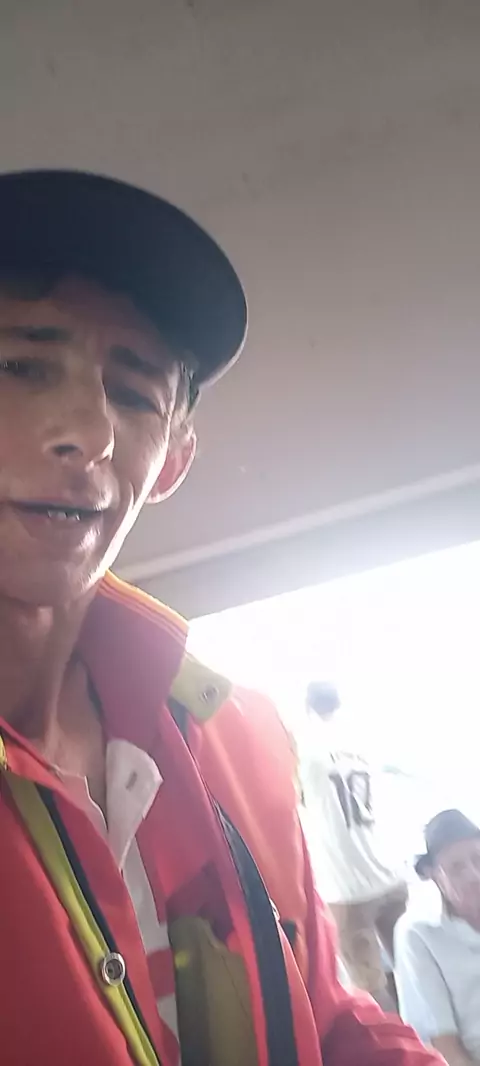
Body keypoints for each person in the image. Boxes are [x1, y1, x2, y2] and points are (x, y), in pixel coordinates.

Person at [0, 167, 440, 1066]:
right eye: (20, 367)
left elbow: (322, 1013)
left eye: (133, 393)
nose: (89, 431)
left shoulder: (236, 736)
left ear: (173, 459)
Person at [300, 681, 407, 1008]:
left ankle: (400, 1040)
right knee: (411, 969)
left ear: (307, 707)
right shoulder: (362, 744)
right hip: (390, 873)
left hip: (347, 888)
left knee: (369, 985)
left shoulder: (306, 751)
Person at [395, 810, 480, 1066]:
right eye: (456, 868)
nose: (474, 876)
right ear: (434, 874)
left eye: (478, 859)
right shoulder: (418, 933)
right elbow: (443, 1046)